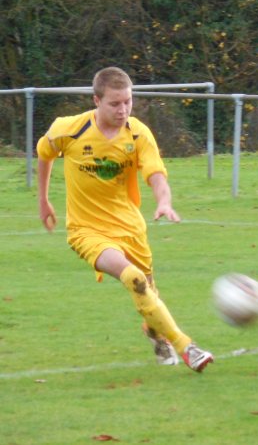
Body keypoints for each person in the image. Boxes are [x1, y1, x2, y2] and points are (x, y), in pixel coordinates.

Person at [37, 66, 213, 373]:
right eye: (115, 103)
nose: (123, 110)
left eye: (128, 102)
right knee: (134, 279)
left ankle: (155, 333)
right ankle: (187, 346)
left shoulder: (137, 133)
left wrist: (164, 200)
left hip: (130, 228)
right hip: (86, 231)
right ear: (96, 100)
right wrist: (43, 200)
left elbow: (155, 173)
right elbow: (44, 153)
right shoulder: (69, 129)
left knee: (147, 290)